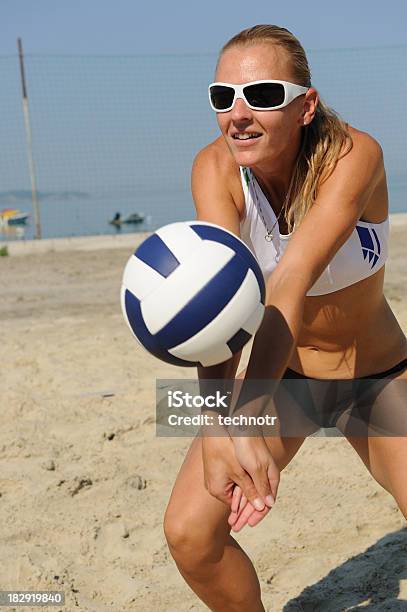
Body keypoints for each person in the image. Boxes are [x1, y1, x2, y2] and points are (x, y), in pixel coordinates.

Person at [163, 24, 407, 611]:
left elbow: (290, 282)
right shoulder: (214, 170)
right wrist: (217, 427)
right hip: (287, 380)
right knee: (191, 535)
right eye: (224, 97)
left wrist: (243, 422)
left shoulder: (354, 154)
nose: (239, 114)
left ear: (305, 104)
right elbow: (216, 307)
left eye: (264, 95)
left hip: (376, 378)